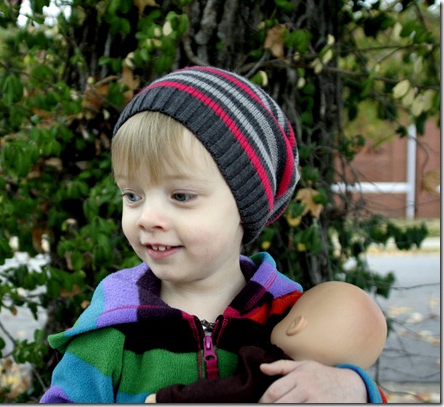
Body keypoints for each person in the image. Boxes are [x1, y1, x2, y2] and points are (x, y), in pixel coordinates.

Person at [39, 66, 383, 403]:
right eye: (132, 195)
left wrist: (353, 387)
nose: (147, 218)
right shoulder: (114, 328)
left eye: (181, 196)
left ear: (245, 207)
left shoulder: (288, 315)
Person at [144, 281, 388, 402]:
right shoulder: (326, 393)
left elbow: (223, 393)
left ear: (295, 323)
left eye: (288, 313)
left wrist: (167, 399)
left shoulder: (270, 366)